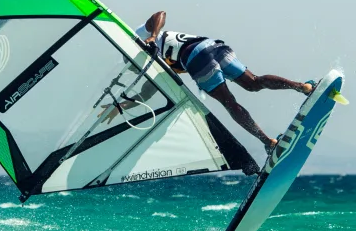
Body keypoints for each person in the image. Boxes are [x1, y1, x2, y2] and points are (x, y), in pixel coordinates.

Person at [134, 10, 312, 156]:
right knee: (253, 83)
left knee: (230, 103)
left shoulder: (138, 37)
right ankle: (304, 87)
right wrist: (124, 105)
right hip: (212, 47)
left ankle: (269, 142)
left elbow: (160, 14)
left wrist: (153, 36)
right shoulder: (154, 61)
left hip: (196, 58)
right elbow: (147, 92)